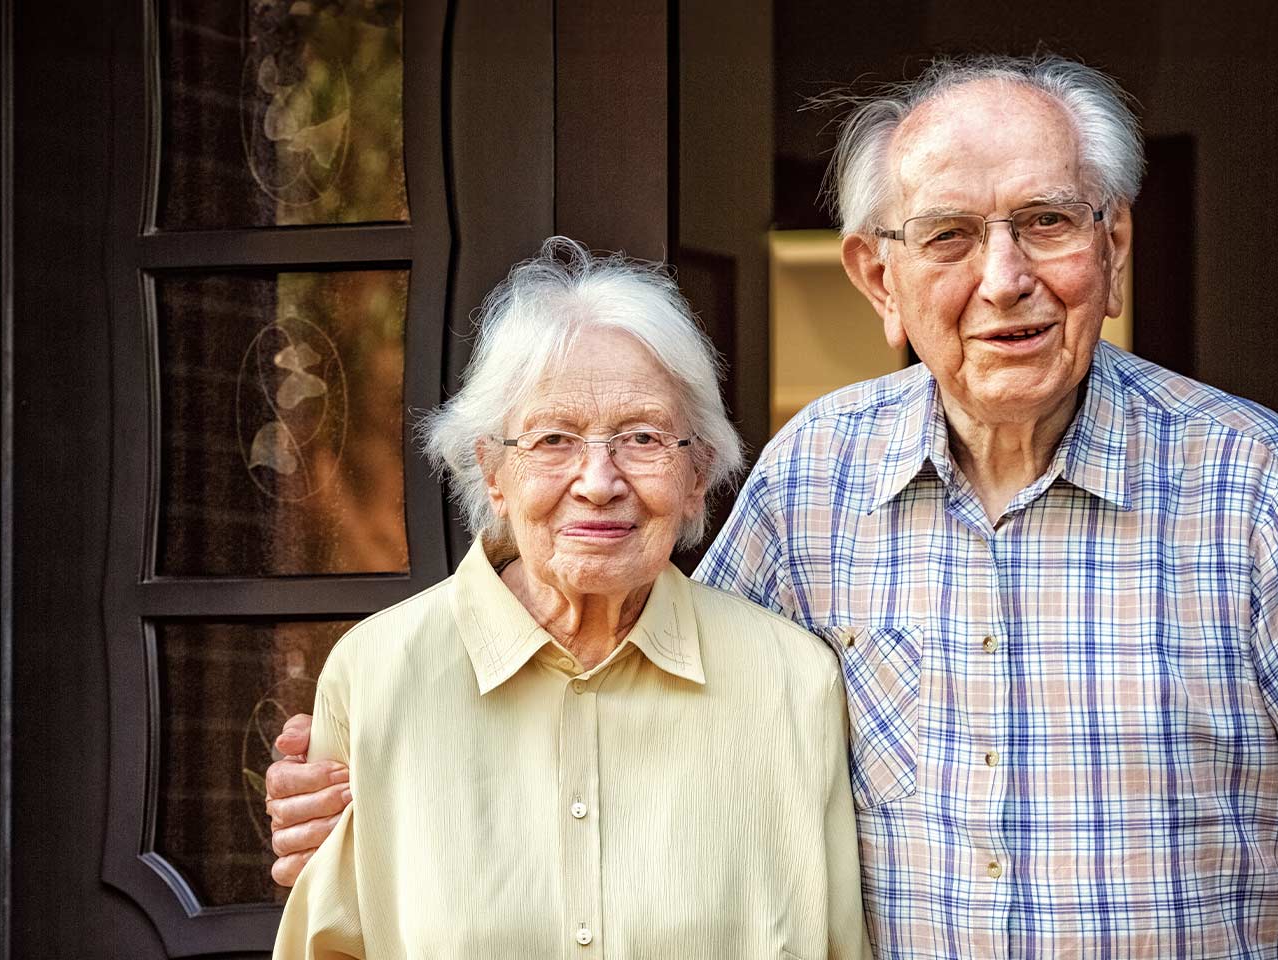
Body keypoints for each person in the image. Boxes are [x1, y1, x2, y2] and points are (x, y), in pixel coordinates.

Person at [268, 55, 1278, 957]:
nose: (1004, 278)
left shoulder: (1254, 488)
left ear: (1112, 247)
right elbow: (658, 696)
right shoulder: (816, 478)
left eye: (1047, 223)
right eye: (949, 237)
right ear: (877, 277)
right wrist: (377, 803)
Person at [270, 237, 870, 959]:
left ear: (697, 478)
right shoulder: (378, 677)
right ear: (493, 473)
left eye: (643, 438)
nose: (598, 480)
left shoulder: (793, 685)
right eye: (554, 439)